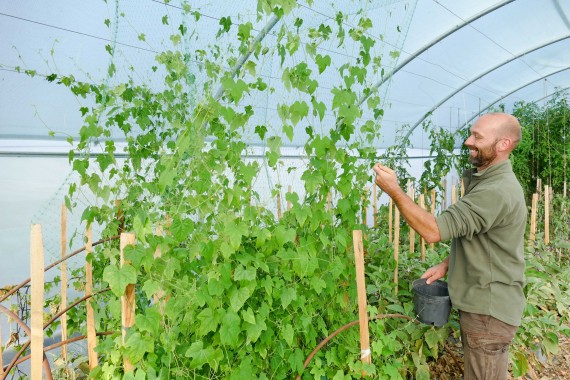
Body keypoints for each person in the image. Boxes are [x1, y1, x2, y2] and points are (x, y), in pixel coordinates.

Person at [373, 112, 526, 380]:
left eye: (478, 136)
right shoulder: (491, 181)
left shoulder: (496, 190)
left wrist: (395, 191)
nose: (468, 141)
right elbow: (486, 239)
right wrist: (448, 264)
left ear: (503, 144)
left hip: (488, 313)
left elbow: (433, 231)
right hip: (486, 307)